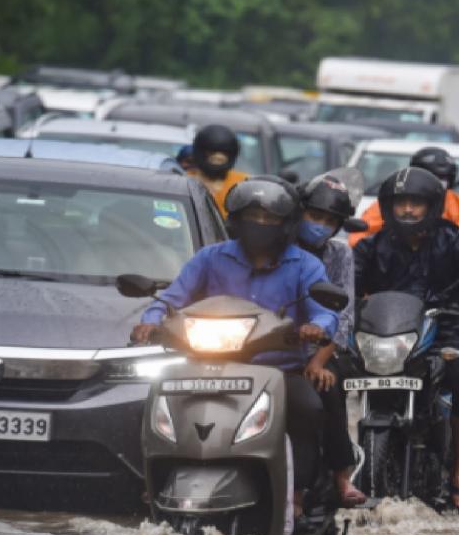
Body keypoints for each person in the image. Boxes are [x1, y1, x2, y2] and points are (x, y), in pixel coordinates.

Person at [130, 175, 336, 517]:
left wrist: (316, 328)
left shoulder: (305, 265)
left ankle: (297, 492)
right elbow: (173, 298)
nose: (260, 224)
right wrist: (150, 321)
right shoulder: (210, 258)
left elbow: (325, 312)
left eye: (269, 218)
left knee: (308, 409)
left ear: (286, 224)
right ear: (236, 220)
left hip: (278, 370)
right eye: (253, 216)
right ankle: (152, 479)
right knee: (150, 402)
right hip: (204, 365)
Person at [354, 166, 459, 515]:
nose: (407, 210)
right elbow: (348, 283)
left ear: (431, 206)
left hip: (440, 340)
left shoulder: (453, 240)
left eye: (415, 203)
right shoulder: (373, 245)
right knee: (329, 377)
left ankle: (458, 471)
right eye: (400, 203)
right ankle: (336, 473)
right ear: (388, 207)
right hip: (385, 342)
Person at [296, 173, 367, 507]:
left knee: (330, 388)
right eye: (315, 216)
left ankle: (342, 475)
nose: (321, 226)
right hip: (273, 345)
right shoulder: (278, 248)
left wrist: (318, 361)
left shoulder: (340, 255)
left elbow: (344, 314)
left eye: (329, 221)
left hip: (325, 348)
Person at [348, 147, 459, 247]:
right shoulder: (394, 199)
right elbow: (360, 236)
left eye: (444, 179)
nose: (408, 208)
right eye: (431, 178)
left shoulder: (454, 202)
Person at [186, 125, 247, 218]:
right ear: (200, 153)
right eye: (211, 153)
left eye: (224, 153)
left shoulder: (242, 184)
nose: (218, 157)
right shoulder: (185, 182)